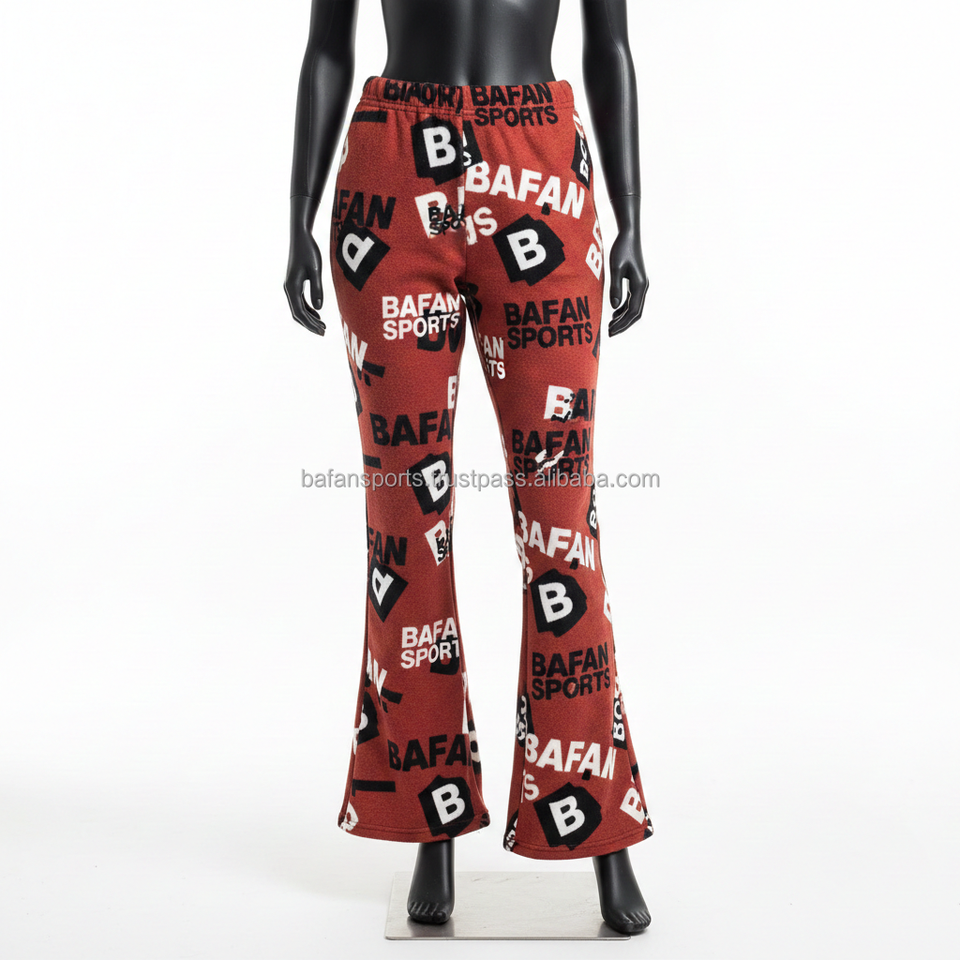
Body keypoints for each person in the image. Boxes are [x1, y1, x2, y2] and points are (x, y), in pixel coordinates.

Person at [283, 0, 653, 936]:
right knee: (406, 527)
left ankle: (598, 828)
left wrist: (633, 220)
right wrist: (296, 216)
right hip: (391, 182)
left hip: (541, 173)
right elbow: (328, 45)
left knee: (561, 525)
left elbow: (609, 43)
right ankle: (430, 821)